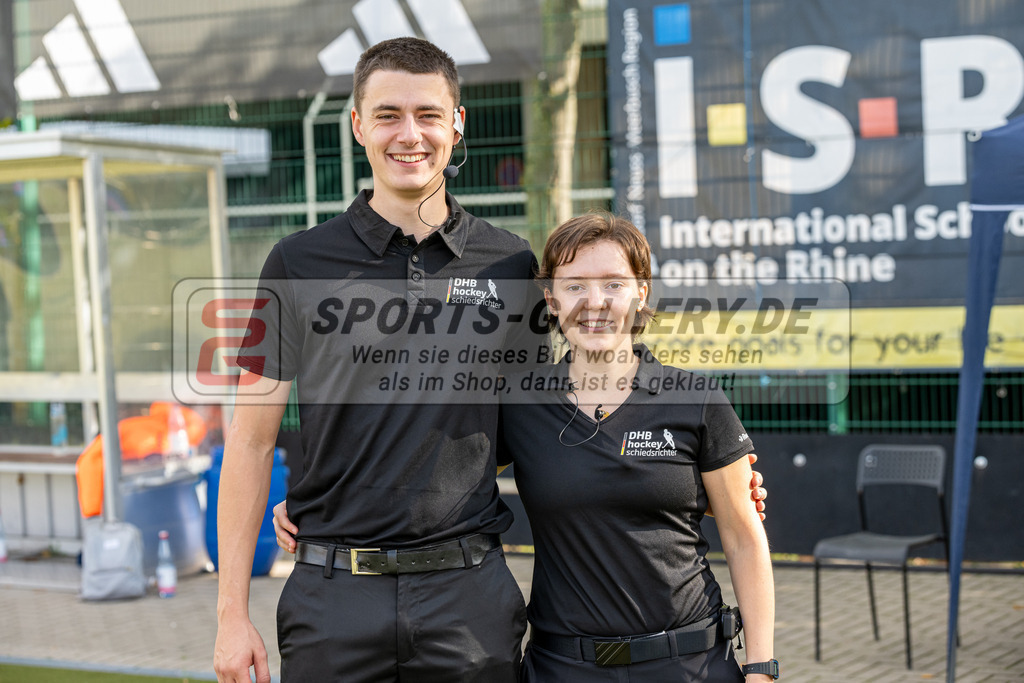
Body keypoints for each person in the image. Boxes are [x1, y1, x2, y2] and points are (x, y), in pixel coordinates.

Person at [227, 38, 767, 683]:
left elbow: (532, 422)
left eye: (428, 114)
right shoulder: (294, 263)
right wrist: (233, 611)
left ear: (457, 124)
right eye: (389, 114)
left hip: (468, 598)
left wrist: (688, 472)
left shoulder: (509, 263)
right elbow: (251, 442)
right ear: (357, 125)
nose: (410, 134)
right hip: (332, 596)